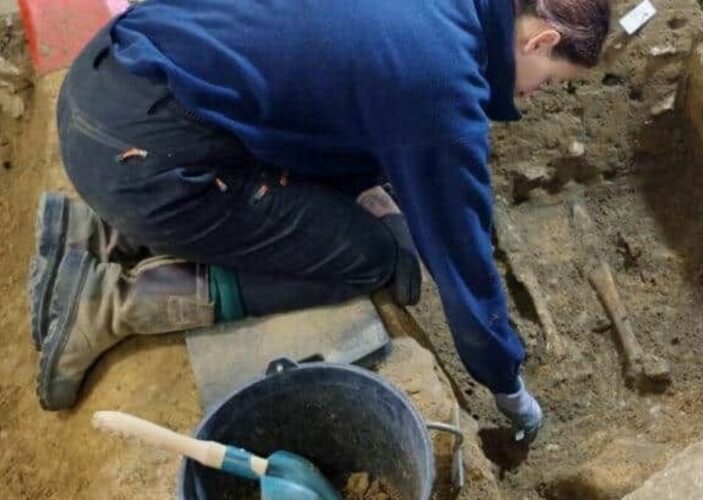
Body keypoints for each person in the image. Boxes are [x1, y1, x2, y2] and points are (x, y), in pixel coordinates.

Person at [29, 0, 610, 439]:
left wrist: (363, 183)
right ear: (541, 40)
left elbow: (325, 71)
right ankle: (112, 301)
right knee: (366, 257)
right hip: (145, 159)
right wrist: (509, 387)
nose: (537, 97)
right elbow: (460, 257)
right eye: (552, 81)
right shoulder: (441, 83)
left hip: (109, 78)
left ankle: (100, 232)